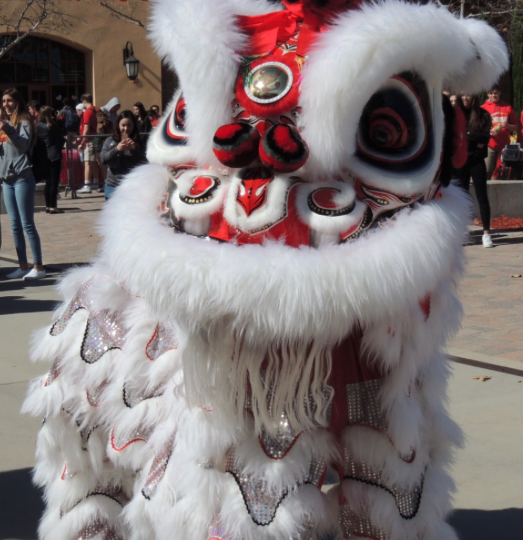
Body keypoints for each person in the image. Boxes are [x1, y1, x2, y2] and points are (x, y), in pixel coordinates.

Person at [22, 2, 509, 540]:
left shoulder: (386, 47)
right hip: (219, 273)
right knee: (219, 446)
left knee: (382, 434)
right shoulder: (235, 32)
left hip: (355, 265)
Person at [0, 88, 45, 279]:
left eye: (9, 101)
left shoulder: (23, 121)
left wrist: (8, 129)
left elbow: (23, 145)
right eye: (3, 101)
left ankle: (39, 267)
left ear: (17, 102)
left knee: (27, 224)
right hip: (7, 180)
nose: (6, 105)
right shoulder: (6, 123)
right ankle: (23, 265)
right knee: (14, 225)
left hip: (22, 178)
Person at [457, 94, 494, 248]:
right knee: (461, 197)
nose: (465, 98)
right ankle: (462, 231)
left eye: (468, 94)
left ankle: (486, 233)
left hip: (477, 160)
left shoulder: (483, 114)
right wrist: (473, 137)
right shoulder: (456, 114)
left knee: (482, 196)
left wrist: (466, 135)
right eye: (463, 94)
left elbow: (485, 136)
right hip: (460, 160)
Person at [99, 110, 145, 200]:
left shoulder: (139, 142)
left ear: (134, 126)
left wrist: (135, 150)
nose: (126, 129)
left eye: (129, 125)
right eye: (123, 125)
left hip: (133, 187)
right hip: (113, 186)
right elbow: (103, 159)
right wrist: (117, 149)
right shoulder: (110, 141)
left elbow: (145, 163)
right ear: (118, 125)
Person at [481, 84, 518, 179]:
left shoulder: (508, 107)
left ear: (500, 93)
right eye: (491, 93)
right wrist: (487, 132)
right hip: (490, 145)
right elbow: (478, 127)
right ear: (488, 94)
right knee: (487, 170)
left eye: (496, 93)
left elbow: (516, 127)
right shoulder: (483, 108)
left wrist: (507, 126)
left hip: (504, 146)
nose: (494, 95)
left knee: (503, 171)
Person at [36, 106, 66, 214]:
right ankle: (53, 206)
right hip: (54, 155)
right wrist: (59, 120)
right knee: (54, 182)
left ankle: (48, 206)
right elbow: (62, 138)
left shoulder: (38, 126)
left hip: (44, 156)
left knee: (48, 182)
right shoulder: (52, 126)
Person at [76, 93, 99, 194]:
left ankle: (87, 185)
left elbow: (86, 128)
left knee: (87, 163)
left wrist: (82, 142)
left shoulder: (88, 112)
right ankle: (96, 183)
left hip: (89, 140)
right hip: (96, 139)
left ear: (84, 101)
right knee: (93, 162)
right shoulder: (96, 109)